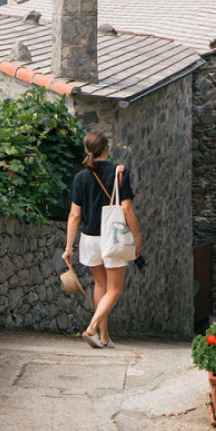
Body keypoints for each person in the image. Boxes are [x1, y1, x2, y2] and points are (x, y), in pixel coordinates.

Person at [63, 130, 141, 349]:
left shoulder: (80, 177)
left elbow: (74, 215)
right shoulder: (119, 173)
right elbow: (127, 209)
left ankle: (104, 337)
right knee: (114, 289)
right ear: (106, 148)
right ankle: (93, 327)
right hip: (113, 239)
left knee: (100, 284)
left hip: (89, 239)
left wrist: (69, 247)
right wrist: (136, 237)